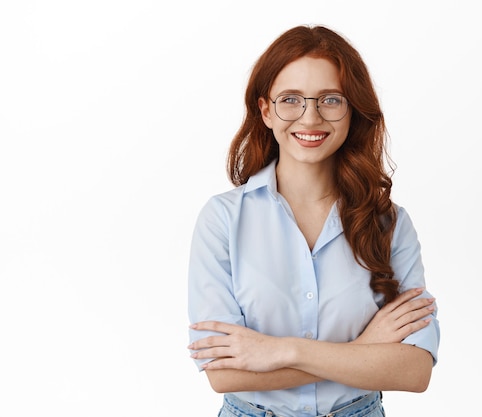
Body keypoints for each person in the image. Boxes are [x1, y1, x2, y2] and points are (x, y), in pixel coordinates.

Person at [187, 25, 440, 417]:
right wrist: (362, 353)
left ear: (352, 109)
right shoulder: (223, 220)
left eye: (330, 100)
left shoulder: (389, 223)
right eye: (290, 100)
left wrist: (280, 351)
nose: (310, 118)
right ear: (266, 110)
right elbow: (224, 374)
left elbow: (414, 370)